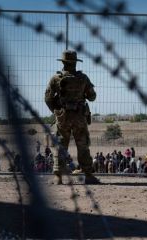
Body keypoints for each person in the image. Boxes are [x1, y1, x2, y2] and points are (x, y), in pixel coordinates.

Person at [45, 50, 99, 185]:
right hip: (79, 117)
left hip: (63, 117)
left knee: (61, 146)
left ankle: (58, 176)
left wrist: (57, 111)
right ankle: (88, 175)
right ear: (75, 62)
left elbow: (48, 98)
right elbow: (92, 97)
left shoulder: (55, 79)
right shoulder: (83, 78)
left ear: (63, 62)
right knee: (83, 145)